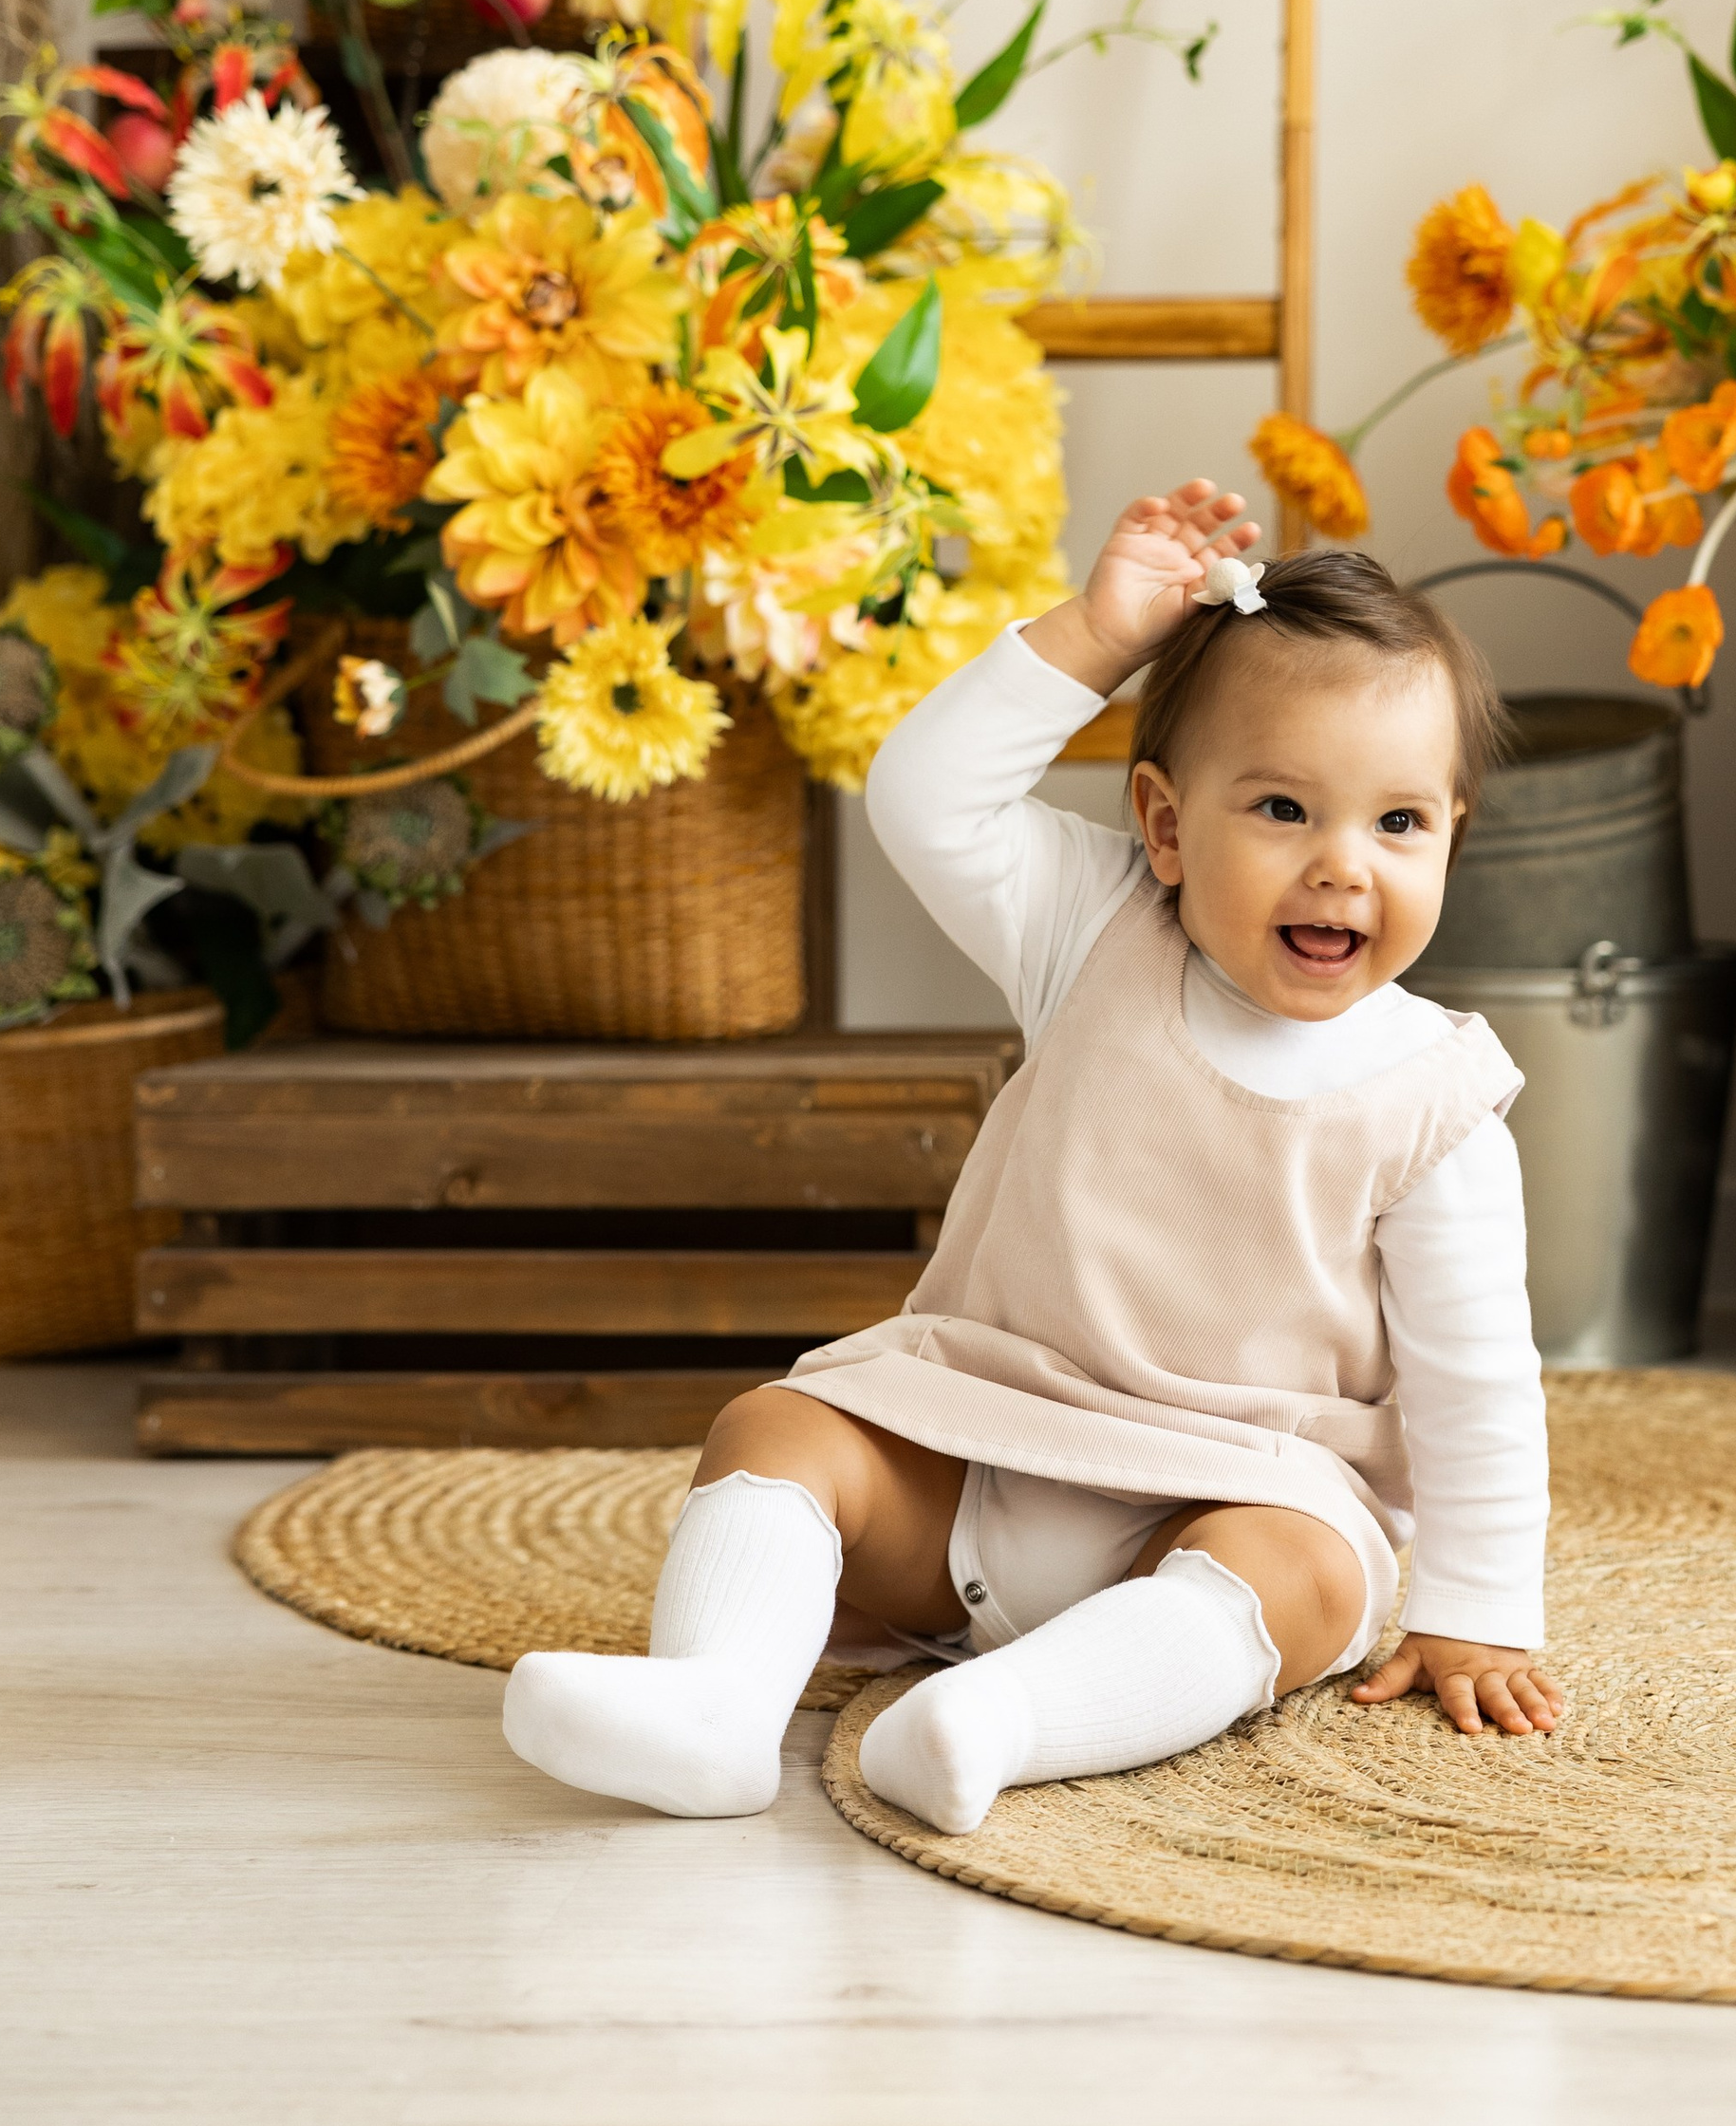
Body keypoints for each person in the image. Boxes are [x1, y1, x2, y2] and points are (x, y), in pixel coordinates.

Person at [502, 477, 1560, 1830]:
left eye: (1397, 824)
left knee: (1312, 1577)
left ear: (1451, 835)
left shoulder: (1437, 1100)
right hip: (979, 1455)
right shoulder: (1098, 931)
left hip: (1235, 1495)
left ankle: (994, 1720)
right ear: (1168, 827)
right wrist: (1099, 633)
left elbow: (1478, 1386)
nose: (1344, 868)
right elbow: (926, 799)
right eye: (1284, 811)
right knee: (778, 1427)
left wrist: (1480, 1612)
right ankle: (718, 1704)